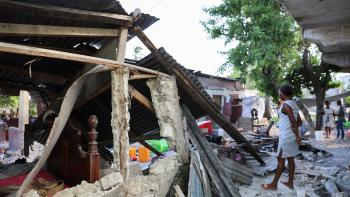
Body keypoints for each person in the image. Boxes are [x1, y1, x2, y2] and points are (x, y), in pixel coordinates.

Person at [262, 84, 302, 190]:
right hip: (291, 135)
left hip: (286, 137)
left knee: (280, 159)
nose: (279, 94)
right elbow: (299, 122)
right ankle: (290, 183)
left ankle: (273, 185)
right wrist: (294, 133)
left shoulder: (286, 105)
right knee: (290, 159)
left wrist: (296, 134)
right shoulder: (294, 104)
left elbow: (293, 122)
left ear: (283, 93)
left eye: (280, 92)